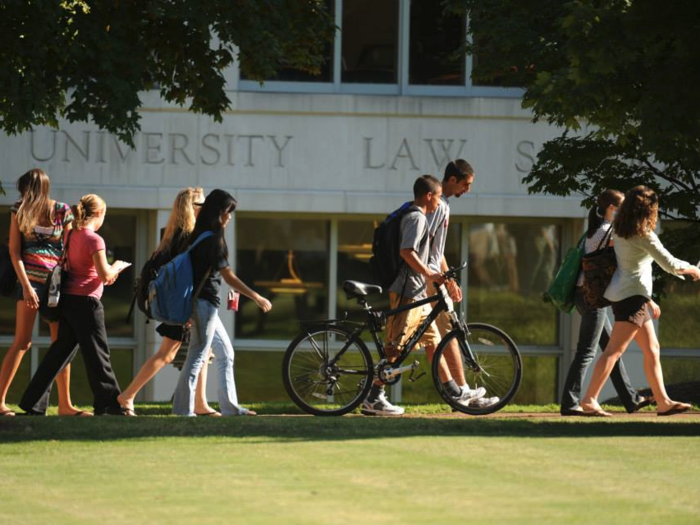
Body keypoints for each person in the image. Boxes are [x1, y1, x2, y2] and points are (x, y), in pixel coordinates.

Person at [580, 186, 700, 416]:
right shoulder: (643, 234)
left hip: (629, 294)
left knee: (652, 349)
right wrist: (693, 269)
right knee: (614, 351)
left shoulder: (619, 229)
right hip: (631, 296)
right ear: (648, 209)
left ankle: (663, 402)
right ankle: (589, 399)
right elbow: (670, 263)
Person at [19, 194, 130, 416]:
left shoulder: (71, 234)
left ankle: (33, 402)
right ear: (98, 214)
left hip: (68, 300)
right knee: (98, 354)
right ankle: (108, 403)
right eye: (103, 216)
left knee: (59, 353)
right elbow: (104, 274)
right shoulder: (94, 240)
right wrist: (116, 268)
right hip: (87, 302)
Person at [117, 187, 219, 416]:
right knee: (167, 354)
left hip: (175, 301)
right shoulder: (188, 237)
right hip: (180, 304)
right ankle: (127, 396)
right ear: (192, 208)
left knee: (200, 350)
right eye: (201, 205)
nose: (205, 209)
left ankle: (200, 403)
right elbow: (186, 276)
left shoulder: (173, 233)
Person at [172, 189, 272, 417]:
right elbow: (228, 277)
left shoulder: (197, 235)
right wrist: (256, 297)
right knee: (197, 357)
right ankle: (182, 411)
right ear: (218, 212)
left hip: (202, 305)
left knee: (225, 353)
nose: (230, 217)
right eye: (228, 212)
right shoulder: (214, 240)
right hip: (205, 305)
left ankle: (230, 408)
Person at [0, 169, 84, 417]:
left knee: (59, 345)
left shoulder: (62, 210)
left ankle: (65, 405)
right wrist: (25, 286)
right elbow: (15, 251)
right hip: (30, 283)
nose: (22, 194)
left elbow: (69, 248)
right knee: (22, 342)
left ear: (34, 188)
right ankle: (1, 401)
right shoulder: (19, 210)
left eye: (25, 189)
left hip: (57, 284)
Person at [560, 190, 651, 416]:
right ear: (612, 208)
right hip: (593, 299)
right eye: (621, 208)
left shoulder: (594, 231)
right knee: (587, 352)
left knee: (611, 348)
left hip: (583, 294)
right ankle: (570, 403)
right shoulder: (608, 232)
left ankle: (630, 398)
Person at [361, 175, 445, 416]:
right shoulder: (417, 218)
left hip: (417, 291)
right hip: (407, 290)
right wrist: (430, 273)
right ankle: (373, 398)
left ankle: (454, 391)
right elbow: (406, 252)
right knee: (396, 346)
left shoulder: (414, 214)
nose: (439, 203)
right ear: (429, 196)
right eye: (438, 198)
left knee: (432, 339)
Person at [423, 160, 495, 408]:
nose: (468, 189)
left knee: (445, 333)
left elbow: (436, 249)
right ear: (452, 180)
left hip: (431, 276)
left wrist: (448, 277)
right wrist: (440, 279)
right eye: (466, 184)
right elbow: (427, 246)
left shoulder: (442, 204)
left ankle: (463, 392)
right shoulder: (439, 205)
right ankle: (463, 392)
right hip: (428, 279)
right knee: (449, 332)